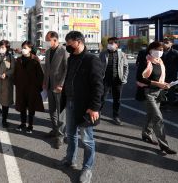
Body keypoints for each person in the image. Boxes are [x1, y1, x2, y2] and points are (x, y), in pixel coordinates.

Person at [61, 31, 103, 183]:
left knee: (87, 139)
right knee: (70, 134)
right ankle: (70, 159)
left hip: (86, 107)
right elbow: (70, 78)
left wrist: (95, 107)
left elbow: (98, 86)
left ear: (78, 42)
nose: (67, 46)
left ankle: (87, 168)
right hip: (70, 102)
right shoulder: (72, 58)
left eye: (69, 43)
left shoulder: (91, 59)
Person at [136, 41, 177, 154]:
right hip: (148, 92)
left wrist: (165, 84)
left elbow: (160, 79)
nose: (159, 52)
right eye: (157, 49)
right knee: (158, 117)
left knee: (151, 116)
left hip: (158, 92)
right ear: (150, 50)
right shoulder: (146, 62)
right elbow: (140, 78)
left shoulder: (160, 62)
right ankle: (164, 145)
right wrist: (156, 84)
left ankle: (146, 134)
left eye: (162, 50)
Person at [43, 31, 68, 148]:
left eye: (48, 40)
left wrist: (62, 84)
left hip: (59, 87)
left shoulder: (64, 51)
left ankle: (61, 136)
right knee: (52, 110)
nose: (46, 42)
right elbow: (47, 69)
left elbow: (67, 70)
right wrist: (44, 82)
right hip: (49, 85)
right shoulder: (48, 52)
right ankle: (54, 130)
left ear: (55, 39)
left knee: (61, 112)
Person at [14, 41, 44, 134]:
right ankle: (23, 123)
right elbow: (16, 73)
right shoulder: (19, 60)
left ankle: (30, 125)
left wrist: (39, 87)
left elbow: (40, 75)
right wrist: (16, 83)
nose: (23, 49)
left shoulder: (35, 60)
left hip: (32, 88)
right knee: (22, 106)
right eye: (23, 47)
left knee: (31, 107)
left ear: (30, 49)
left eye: (25, 48)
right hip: (21, 87)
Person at [99, 37, 129, 125]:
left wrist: (124, 78)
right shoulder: (103, 54)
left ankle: (116, 116)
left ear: (117, 45)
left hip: (118, 80)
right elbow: (98, 66)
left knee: (117, 100)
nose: (110, 45)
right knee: (102, 98)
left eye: (112, 43)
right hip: (105, 80)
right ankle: (97, 114)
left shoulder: (122, 54)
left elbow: (126, 67)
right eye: (109, 43)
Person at [161, 38, 178, 104]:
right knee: (160, 89)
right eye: (164, 42)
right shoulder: (160, 52)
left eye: (167, 42)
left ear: (172, 44)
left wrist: (173, 70)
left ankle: (170, 104)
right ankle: (162, 103)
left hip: (171, 75)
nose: (165, 44)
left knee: (171, 90)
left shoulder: (176, 53)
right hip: (161, 74)